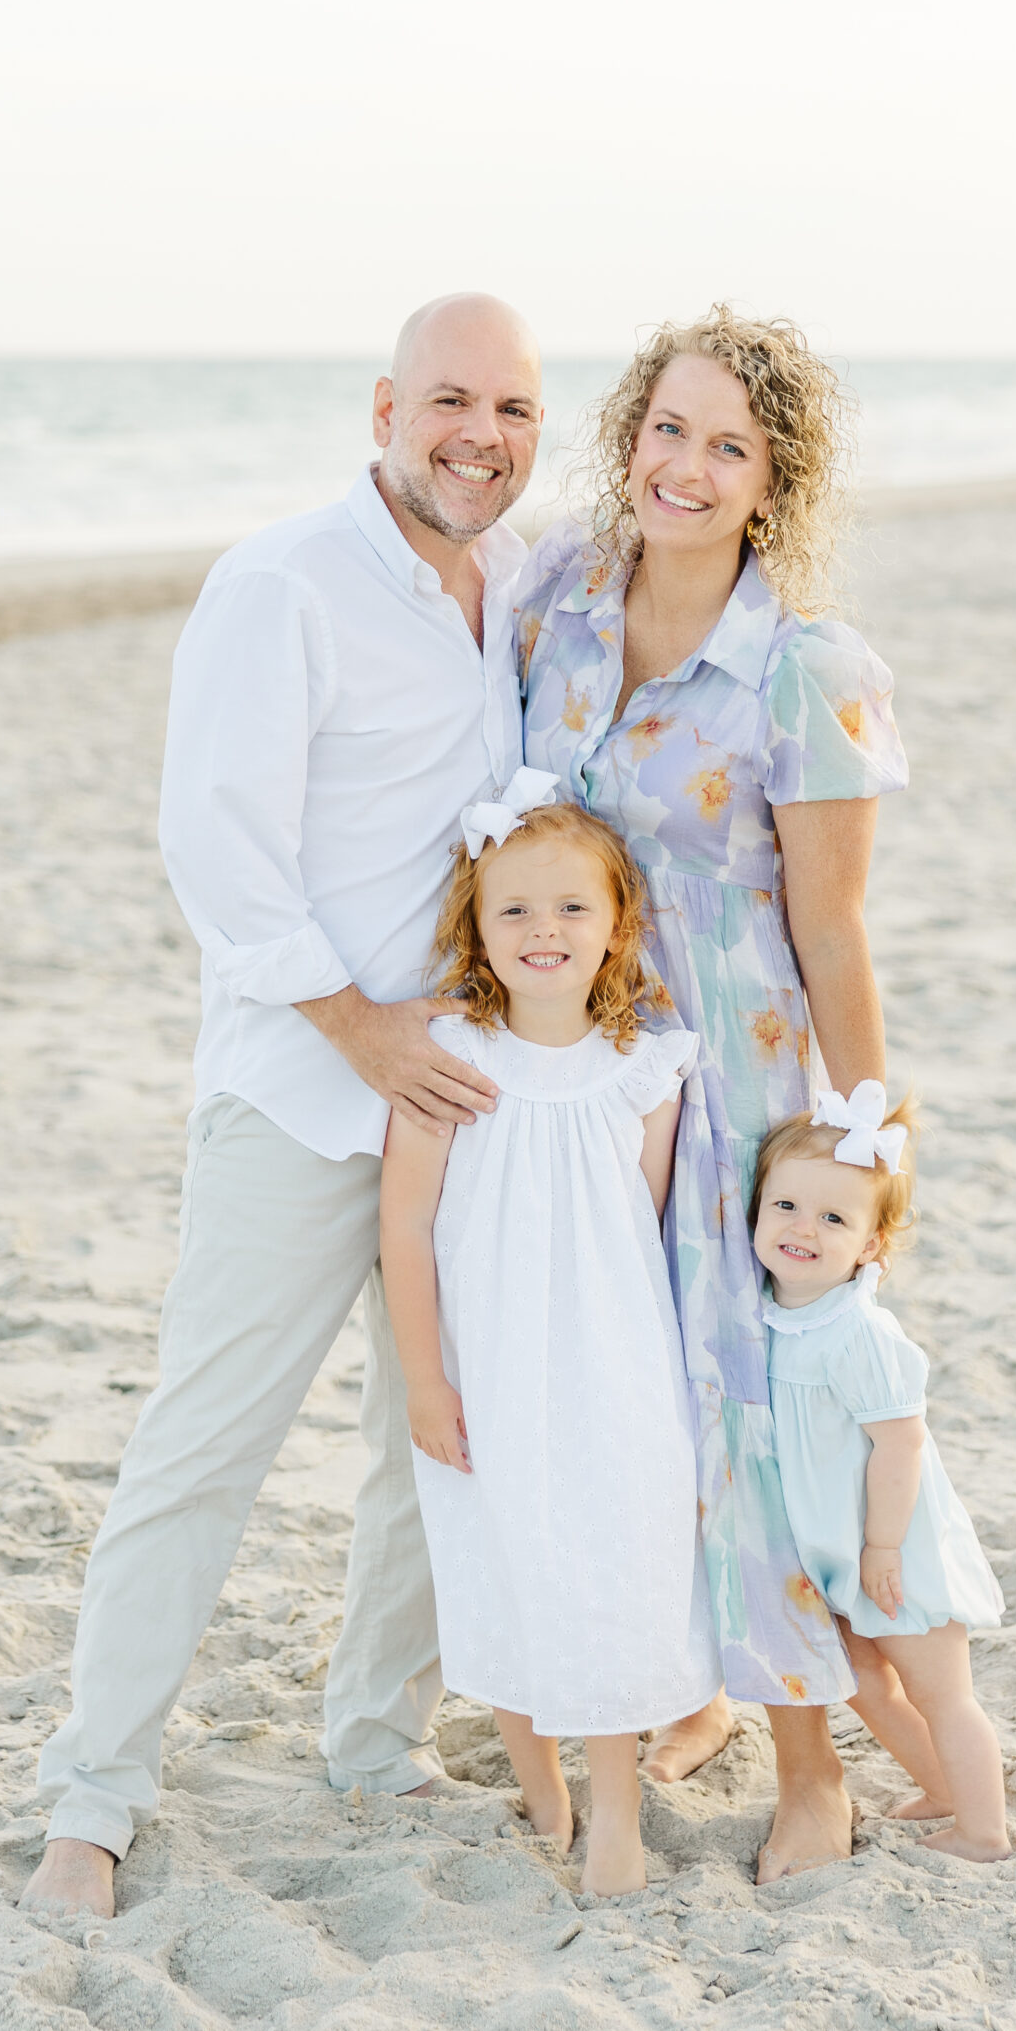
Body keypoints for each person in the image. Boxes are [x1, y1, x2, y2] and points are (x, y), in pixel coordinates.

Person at [21, 293, 544, 1920]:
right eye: (450, 400)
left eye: (514, 410)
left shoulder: (522, 575)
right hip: (299, 1095)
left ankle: (375, 1736)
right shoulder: (280, 584)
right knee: (203, 1447)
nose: (480, 435)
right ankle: (90, 1799)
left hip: (461, 1101)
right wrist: (358, 1028)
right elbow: (217, 850)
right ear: (382, 407)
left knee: (432, 1441)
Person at [516, 304, 909, 1881]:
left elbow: (828, 927)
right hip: (578, 1087)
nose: (684, 465)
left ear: (772, 482)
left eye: (726, 445)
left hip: (737, 1098)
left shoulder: (805, 672)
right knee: (613, 1407)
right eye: (665, 429)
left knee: (750, 1417)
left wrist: (867, 1135)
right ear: (628, 437)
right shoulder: (559, 602)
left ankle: (809, 1764)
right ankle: (679, 1682)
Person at [380, 785, 720, 1894]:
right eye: (514, 911)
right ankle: (543, 1788)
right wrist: (426, 1380)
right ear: (476, 929)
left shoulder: (643, 1070)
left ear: (618, 923)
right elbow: (407, 1228)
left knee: (613, 1571)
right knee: (508, 1561)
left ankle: (616, 1810)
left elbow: (653, 1234)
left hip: (614, 1367)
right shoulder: (450, 1057)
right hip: (492, 1365)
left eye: (572, 908)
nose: (544, 932)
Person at [752, 1089, 1009, 1862]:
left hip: (894, 1550)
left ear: (871, 1245)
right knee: (863, 1681)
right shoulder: (765, 1310)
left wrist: (884, 1548)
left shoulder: (857, 1332)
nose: (803, 1228)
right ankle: (939, 1786)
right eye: (787, 1205)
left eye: (833, 1219)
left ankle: (983, 1831)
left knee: (941, 1693)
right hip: (838, 1553)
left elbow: (902, 1446)